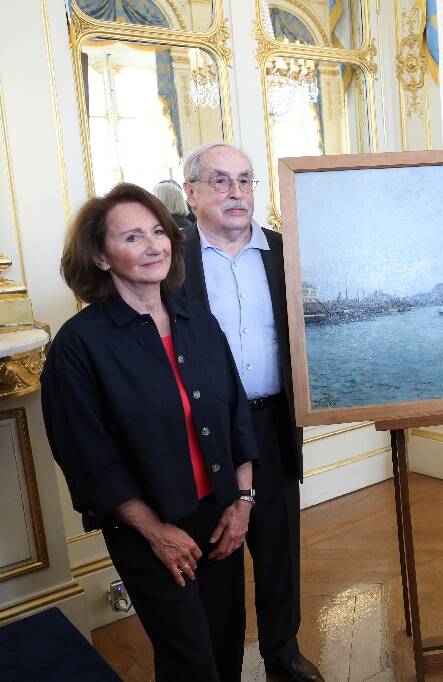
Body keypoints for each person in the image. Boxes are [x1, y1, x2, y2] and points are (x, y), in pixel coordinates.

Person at [41, 183, 258, 681]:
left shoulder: (197, 318)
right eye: (133, 237)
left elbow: (235, 417)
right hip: (149, 528)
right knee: (190, 660)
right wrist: (156, 533)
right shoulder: (79, 346)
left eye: (159, 231)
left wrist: (242, 503)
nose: (154, 245)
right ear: (99, 256)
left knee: (225, 648)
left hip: (223, 516)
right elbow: (88, 457)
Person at [180, 142, 323, 682]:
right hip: (203, 431)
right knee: (219, 548)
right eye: (219, 181)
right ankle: (223, 665)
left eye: (244, 180)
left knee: (279, 547)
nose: (235, 192)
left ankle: (282, 653)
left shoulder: (284, 253)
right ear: (191, 192)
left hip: (272, 423)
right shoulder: (173, 259)